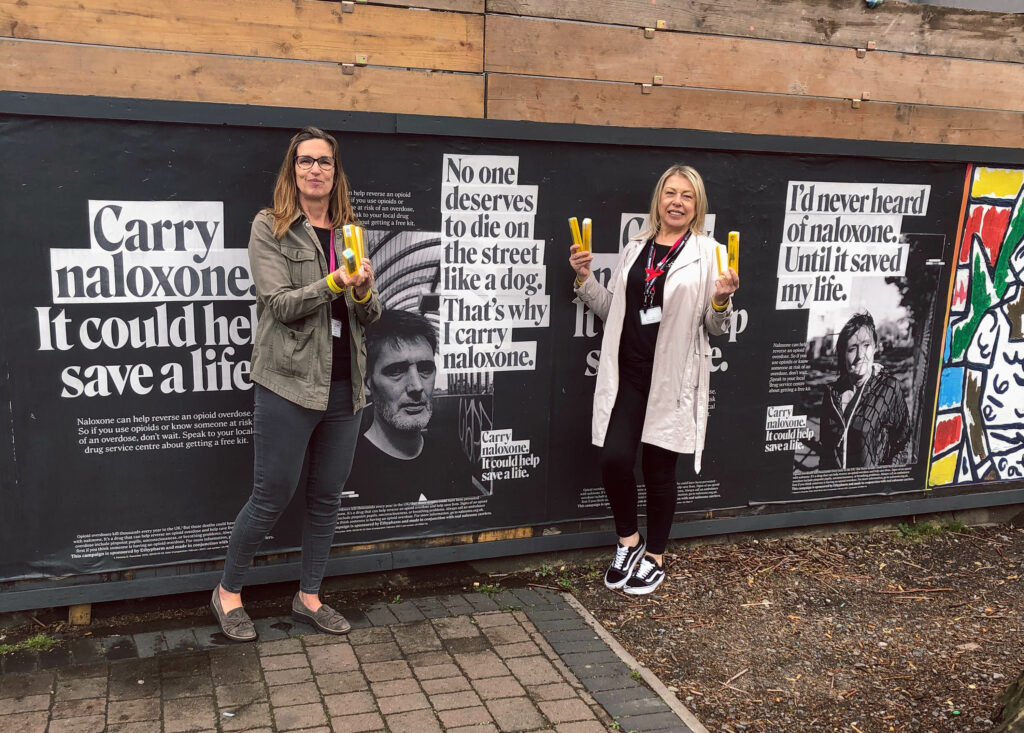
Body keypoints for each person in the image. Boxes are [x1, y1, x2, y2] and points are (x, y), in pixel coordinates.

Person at [210, 126, 381, 642]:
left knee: (327, 496)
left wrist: (364, 291)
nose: (315, 170)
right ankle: (228, 593)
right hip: (287, 383)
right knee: (271, 495)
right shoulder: (271, 227)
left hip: (345, 388)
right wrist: (334, 282)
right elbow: (278, 304)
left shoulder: (351, 228)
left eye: (324, 162)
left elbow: (368, 315)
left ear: (335, 171)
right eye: (305, 161)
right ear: (293, 170)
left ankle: (309, 597)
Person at [569, 164, 739, 595]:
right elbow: (616, 312)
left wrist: (720, 301)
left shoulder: (709, 253)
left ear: (697, 204)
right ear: (658, 200)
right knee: (613, 460)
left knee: (659, 471)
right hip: (628, 373)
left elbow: (716, 328)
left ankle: (655, 557)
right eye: (670, 193)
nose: (677, 201)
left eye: (686, 195)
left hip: (672, 380)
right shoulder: (635, 247)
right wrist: (585, 280)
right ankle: (629, 541)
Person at [345, 309, 475, 503]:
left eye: (425, 369)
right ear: (366, 383)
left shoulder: (452, 458)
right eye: (396, 370)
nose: (417, 386)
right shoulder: (344, 469)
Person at [819, 312, 910, 469]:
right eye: (852, 348)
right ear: (842, 354)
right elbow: (825, 449)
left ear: (874, 347)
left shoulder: (889, 388)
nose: (861, 355)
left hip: (870, 488)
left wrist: (883, 480)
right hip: (835, 488)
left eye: (866, 345)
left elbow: (903, 443)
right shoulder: (831, 394)